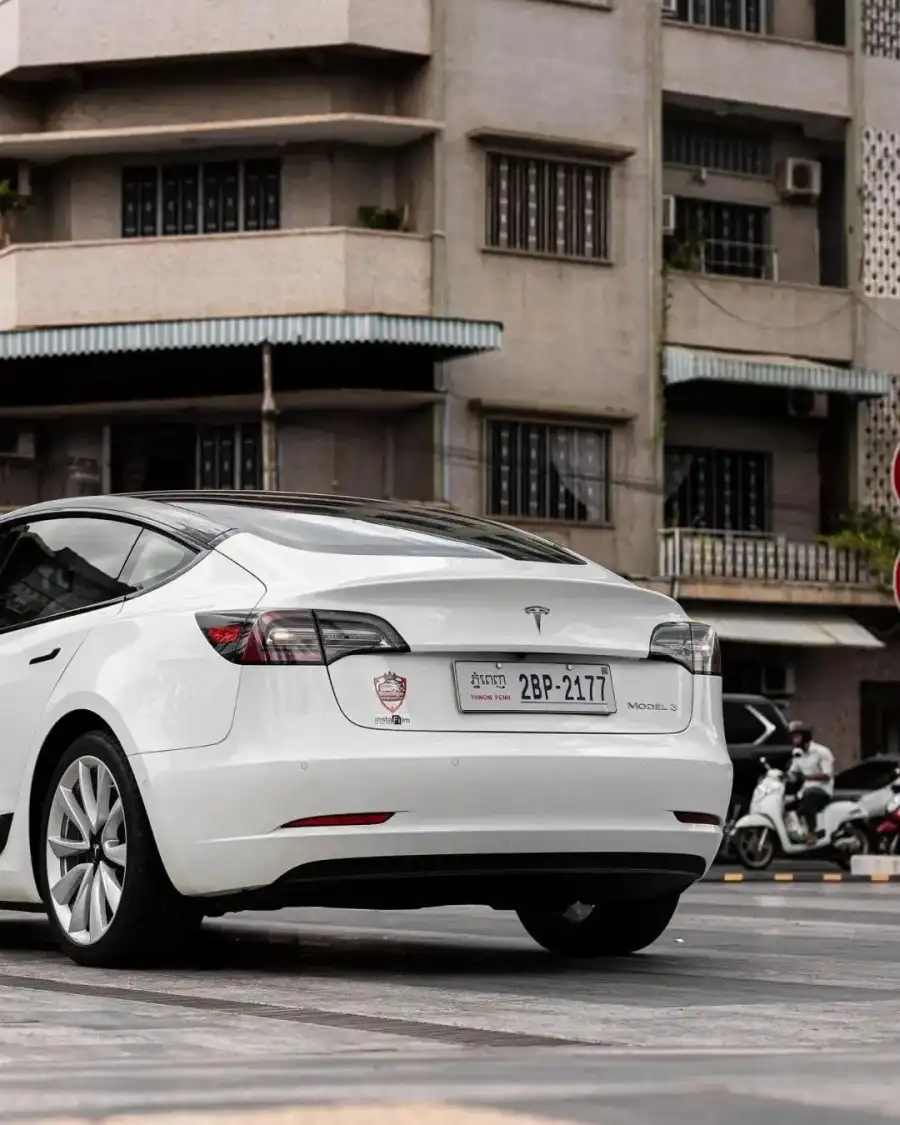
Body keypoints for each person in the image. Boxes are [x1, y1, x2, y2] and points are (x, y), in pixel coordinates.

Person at [788, 719, 835, 845]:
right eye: (792, 736)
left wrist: (806, 777)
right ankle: (794, 834)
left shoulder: (822, 752)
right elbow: (793, 772)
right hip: (805, 791)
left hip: (822, 791)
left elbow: (827, 775)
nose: (794, 739)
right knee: (786, 806)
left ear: (805, 736)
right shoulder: (797, 753)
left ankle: (812, 833)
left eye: (796, 736)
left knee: (808, 801)